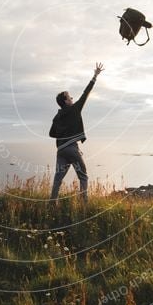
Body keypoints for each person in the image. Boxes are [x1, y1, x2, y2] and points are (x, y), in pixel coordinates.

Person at [49, 62, 104, 203]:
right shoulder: (74, 109)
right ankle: (84, 204)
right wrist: (95, 76)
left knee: (57, 178)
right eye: (70, 97)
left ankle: (51, 204)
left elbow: (51, 133)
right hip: (72, 149)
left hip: (60, 151)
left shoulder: (57, 116)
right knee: (83, 176)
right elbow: (86, 93)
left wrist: (63, 132)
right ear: (66, 101)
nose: (72, 99)